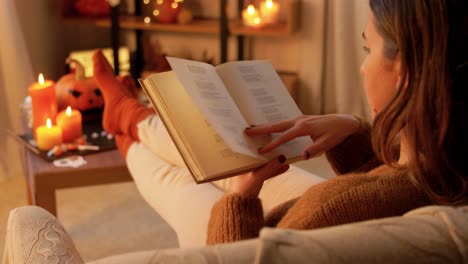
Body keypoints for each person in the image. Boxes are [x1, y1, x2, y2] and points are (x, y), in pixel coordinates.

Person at [93, 0, 467, 247]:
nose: (362, 65)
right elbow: (386, 184)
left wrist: (240, 200)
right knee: (225, 161)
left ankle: (125, 120)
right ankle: (128, 115)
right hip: (306, 218)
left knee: (177, 180)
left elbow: (234, 257)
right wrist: (351, 131)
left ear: (402, 71)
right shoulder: (447, 166)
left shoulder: (328, 212)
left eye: (368, 49)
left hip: (243, 237)